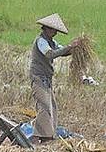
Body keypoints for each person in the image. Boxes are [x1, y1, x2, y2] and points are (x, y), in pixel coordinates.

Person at [30, 13, 80, 144]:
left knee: (52, 106)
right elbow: (50, 54)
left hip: (47, 78)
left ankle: (49, 134)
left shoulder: (52, 42)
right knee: (44, 106)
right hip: (38, 76)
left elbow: (61, 51)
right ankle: (37, 136)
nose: (55, 33)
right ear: (46, 28)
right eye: (53, 30)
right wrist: (69, 47)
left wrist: (73, 49)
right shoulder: (41, 41)